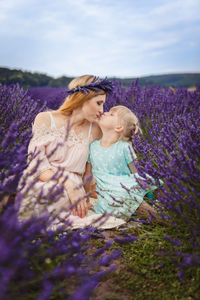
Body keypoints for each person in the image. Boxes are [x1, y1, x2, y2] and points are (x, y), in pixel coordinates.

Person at [18, 75, 115, 223]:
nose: (102, 110)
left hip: (72, 190)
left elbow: (91, 170)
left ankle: (33, 219)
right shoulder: (45, 119)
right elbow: (35, 164)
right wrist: (68, 184)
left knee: (55, 196)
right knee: (43, 193)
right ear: (83, 98)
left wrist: (128, 130)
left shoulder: (95, 129)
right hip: (42, 180)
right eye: (99, 103)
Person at [85, 105, 158, 219]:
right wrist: (87, 196)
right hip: (107, 192)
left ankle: (167, 214)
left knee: (152, 186)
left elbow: (136, 171)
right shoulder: (93, 147)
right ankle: (162, 219)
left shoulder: (124, 147)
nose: (105, 112)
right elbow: (88, 175)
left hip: (125, 184)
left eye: (111, 114)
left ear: (119, 127)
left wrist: (144, 190)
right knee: (126, 197)